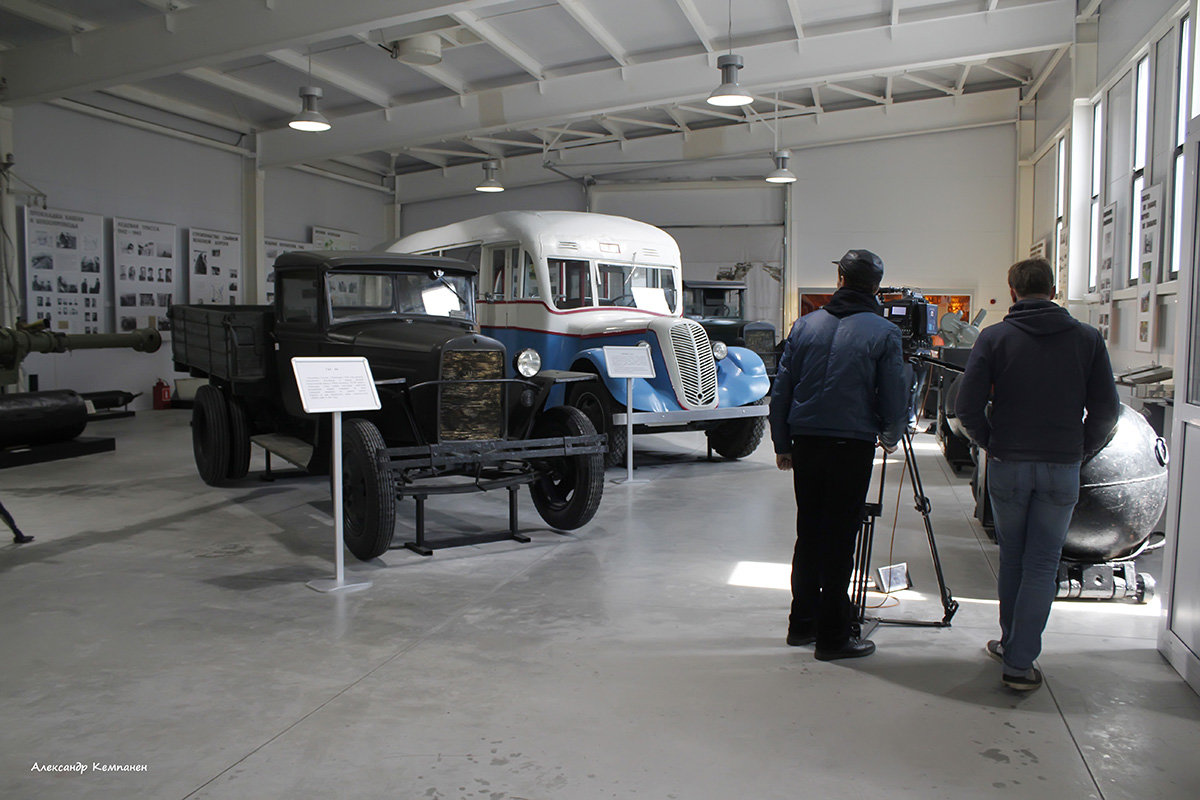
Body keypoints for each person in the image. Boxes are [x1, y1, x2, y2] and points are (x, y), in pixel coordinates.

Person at [956, 257, 1118, 692]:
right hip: (1061, 465)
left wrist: (992, 441)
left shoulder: (994, 338)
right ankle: (1020, 658)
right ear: (1053, 289)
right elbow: (1107, 410)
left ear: (1012, 292)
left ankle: (1013, 646)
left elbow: (966, 406)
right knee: (1043, 562)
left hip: (1009, 464)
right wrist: (1080, 448)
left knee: (1013, 556)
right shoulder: (1086, 339)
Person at [769, 249, 908, 661]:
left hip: (807, 442)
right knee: (840, 537)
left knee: (809, 534)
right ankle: (834, 637)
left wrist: (782, 443)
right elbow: (894, 394)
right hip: (852, 444)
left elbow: (782, 390)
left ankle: (802, 625)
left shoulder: (805, 326)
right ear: (876, 287)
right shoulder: (883, 332)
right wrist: (891, 434)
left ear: (840, 281)